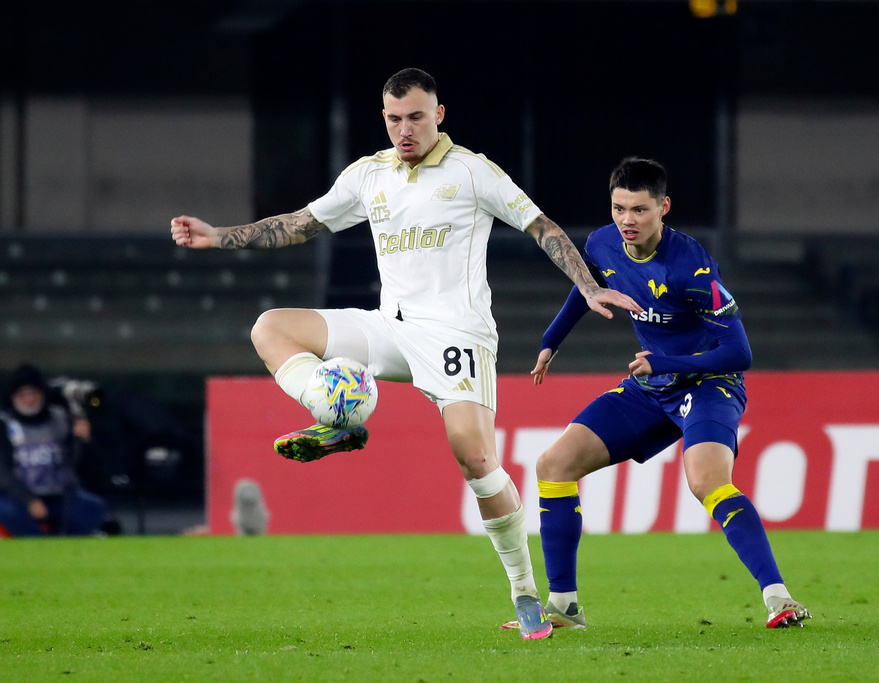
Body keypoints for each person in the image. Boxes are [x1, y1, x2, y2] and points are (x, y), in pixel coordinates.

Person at [170, 67, 640, 639]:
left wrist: (588, 287)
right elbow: (300, 224)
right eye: (394, 119)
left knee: (475, 457)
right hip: (390, 328)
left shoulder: (472, 171)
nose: (405, 129)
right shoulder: (369, 175)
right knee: (271, 328)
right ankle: (337, 415)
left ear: (438, 115)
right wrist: (218, 235)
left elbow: (540, 226)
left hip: (457, 334)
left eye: (416, 117)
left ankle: (523, 592)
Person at [528, 157, 810, 630]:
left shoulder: (692, 266)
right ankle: (564, 607)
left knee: (706, 481)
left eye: (640, 210)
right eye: (619, 208)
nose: (627, 220)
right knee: (553, 465)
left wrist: (666, 363)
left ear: (664, 207)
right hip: (650, 386)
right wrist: (551, 340)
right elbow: (589, 287)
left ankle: (779, 598)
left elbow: (738, 352)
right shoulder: (601, 243)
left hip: (709, 384)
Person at [0, 364, 109, 537]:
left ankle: (68, 542)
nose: (29, 399)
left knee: (92, 507)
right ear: (13, 397)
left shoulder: (60, 417)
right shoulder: (5, 423)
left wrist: (83, 440)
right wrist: (29, 499)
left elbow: (80, 462)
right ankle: (36, 543)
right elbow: (3, 472)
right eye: (22, 394)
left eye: (33, 393)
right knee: (6, 510)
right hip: (19, 496)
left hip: (59, 494)